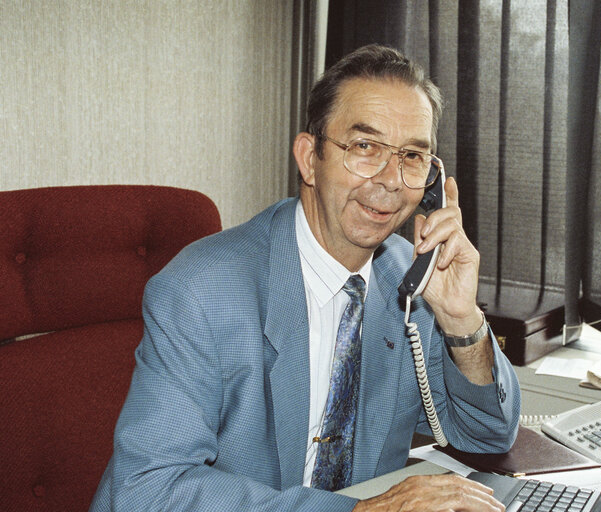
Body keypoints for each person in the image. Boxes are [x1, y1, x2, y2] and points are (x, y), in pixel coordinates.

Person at [91, 44, 520, 512]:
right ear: (309, 158)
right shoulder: (199, 292)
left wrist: (461, 318)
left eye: (413, 156)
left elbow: (488, 436)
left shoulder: (411, 282)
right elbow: (147, 490)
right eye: (364, 147)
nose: (392, 180)